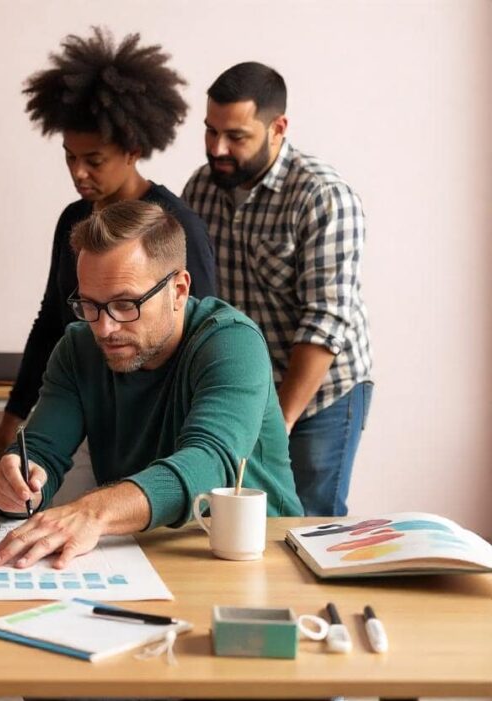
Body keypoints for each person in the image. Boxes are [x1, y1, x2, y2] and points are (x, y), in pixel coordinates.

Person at [0, 200, 302, 569]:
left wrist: (94, 511)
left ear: (179, 291)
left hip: (259, 557)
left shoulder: (233, 343)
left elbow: (209, 463)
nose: (104, 328)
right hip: (140, 557)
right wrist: (15, 486)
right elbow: (40, 452)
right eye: (89, 305)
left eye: (125, 305)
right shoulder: (77, 347)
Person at [0, 27, 217, 469]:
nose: (78, 172)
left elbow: (200, 336)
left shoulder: (176, 225)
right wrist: (14, 417)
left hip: (172, 428)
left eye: (93, 161)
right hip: (104, 418)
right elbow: (52, 321)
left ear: (132, 150)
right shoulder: (74, 221)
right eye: (70, 156)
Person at [182, 62, 372, 516]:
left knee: (306, 520)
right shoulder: (201, 190)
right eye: (210, 131)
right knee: (237, 518)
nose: (218, 148)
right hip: (247, 385)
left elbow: (326, 321)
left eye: (236, 136)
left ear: (278, 127)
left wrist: (277, 421)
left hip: (321, 390)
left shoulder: (323, 196)